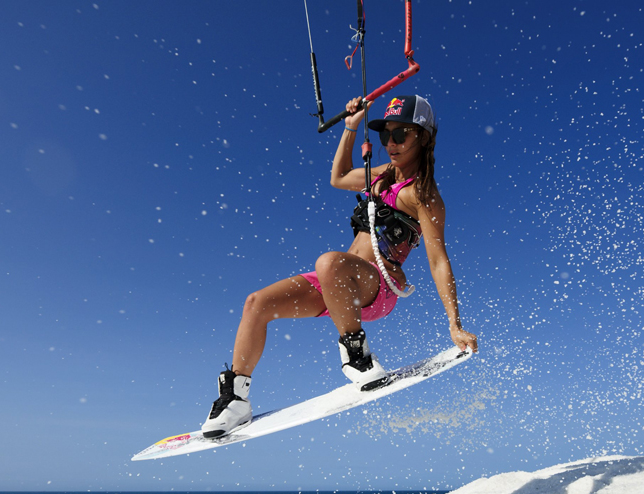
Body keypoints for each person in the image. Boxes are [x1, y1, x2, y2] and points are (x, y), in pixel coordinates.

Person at [201, 94, 479, 438]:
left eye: (400, 135)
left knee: (329, 262)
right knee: (256, 303)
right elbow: (339, 177)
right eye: (385, 135)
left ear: (422, 136)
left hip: (376, 289)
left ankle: (358, 357)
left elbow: (438, 261)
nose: (390, 144)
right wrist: (350, 127)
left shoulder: (423, 195)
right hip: (337, 287)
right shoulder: (381, 175)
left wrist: (455, 324)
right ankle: (235, 401)